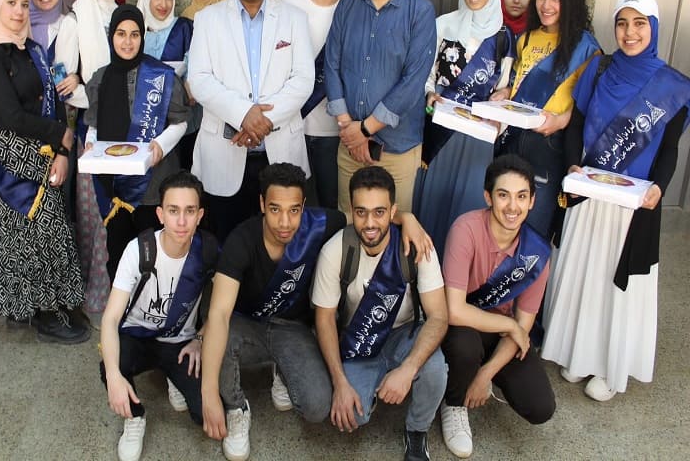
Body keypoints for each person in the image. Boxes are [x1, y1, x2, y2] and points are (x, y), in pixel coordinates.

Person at [201, 162, 432, 461]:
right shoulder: (240, 242)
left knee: (317, 406)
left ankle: (281, 369)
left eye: (294, 210)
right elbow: (219, 315)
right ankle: (236, 406)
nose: (285, 221)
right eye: (274, 209)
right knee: (218, 335)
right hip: (245, 325)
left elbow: (367, 216)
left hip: (291, 328)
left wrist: (408, 218)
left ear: (304, 207)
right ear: (261, 204)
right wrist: (210, 394)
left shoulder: (321, 223)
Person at [542, 0, 690, 402]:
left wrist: (659, 187)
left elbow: (670, 148)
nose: (629, 32)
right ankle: (577, 352)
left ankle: (609, 365)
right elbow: (578, 123)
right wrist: (574, 164)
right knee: (584, 271)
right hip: (590, 192)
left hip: (633, 204)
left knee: (615, 281)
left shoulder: (673, 87)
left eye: (640, 23)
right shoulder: (600, 69)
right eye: (623, 23)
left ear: (654, 28)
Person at [0, 0, 87, 343]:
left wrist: (63, 151)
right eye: (11, 3)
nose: (19, 11)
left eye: (23, 4)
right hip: (13, 153)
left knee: (51, 230)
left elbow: (53, 101)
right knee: (25, 233)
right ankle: (38, 309)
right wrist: (61, 138)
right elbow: (9, 114)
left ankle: (54, 302)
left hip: (46, 146)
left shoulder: (32, 48)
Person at [312, 166, 448, 461]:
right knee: (348, 417)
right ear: (351, 210)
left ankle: (416, 431)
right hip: (358, 338)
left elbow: (439, 316)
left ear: (393, 211)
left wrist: (409, 369)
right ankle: (370, 387)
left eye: (379, 212)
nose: (370, 223)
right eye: (361, 212)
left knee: (436, 371)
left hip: (403, 332)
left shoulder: (416, 246)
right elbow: (324, 319)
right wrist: (340, 384)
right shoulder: (336, 250)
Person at [187, 0, 314, 242]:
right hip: (225, 153)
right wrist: (244, 114)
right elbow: (200, 79)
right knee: (229, 244)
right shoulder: (208, 19)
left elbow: (303, 79)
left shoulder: (294, 19)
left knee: (283, 244)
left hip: (281, 151)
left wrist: (261, 121)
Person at [439, 154, 555, 459]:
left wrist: (485, 375)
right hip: (462, 324)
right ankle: (453, 404)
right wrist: (510, 325)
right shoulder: (465, 228)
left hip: (499, 334)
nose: (512, 206)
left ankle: (476, 374)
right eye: (503, 195)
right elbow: (454, 310)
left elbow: (524, 327)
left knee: (541, 406)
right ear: (488, 196)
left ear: (532, 200)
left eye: (521, 196)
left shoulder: (537, 253)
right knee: (464, 345)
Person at [99, 171, 217, 461]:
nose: (181, 221)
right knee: (111, 365)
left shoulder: (209, 250)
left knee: (207, 414)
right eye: (173, 211)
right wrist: (114, 377)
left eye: (189, 211)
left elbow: (224, 308)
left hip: (180, 341)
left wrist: (201, 339)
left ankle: (174, 376)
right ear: (160, 214)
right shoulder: (138, 249)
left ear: (200, 215)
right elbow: (111, 318)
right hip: (138, 336)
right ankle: (135, 417)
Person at [325, 0, 436, 215]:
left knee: (396, 230)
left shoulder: (420, 11)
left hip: (397, 152)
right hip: (350, 148)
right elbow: (331, 64)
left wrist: (364, 129)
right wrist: (348, 126)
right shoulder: (347, 5)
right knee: (349, 226)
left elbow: (413, 83)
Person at [495, 0, 601, 240]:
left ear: (569, 1)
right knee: (504, 225)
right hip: (512, 140)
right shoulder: (526, 38)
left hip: (549, 146)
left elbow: (588, 107)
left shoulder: (586, 48)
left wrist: (560, 121)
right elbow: (517, 80)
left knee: (534, 232)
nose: (546, 4)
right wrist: (504, 93)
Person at [417, 0, 513, 257]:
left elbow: (505, 93)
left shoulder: (503, 38)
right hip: (440, 135)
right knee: (431, 203)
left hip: (476, 142)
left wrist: (501, 110)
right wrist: (429, 95)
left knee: (466, 213)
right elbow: (424, 75)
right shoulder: (442, 25)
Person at [85, 4, 189, 280]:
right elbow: (93, 123)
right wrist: (89, 142)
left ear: (142, 37)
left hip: (154, 181)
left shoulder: (162, 76)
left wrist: (161, 145)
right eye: (121, 34)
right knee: (118, 250)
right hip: (115, 185)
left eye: (134, 34)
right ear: (112, 37)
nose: (128, 41)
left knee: (153, 251)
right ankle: (122, 312)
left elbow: (181, 122)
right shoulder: (100, 78)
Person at [54, 0, 124, 318]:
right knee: (96, 218)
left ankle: (121, 291)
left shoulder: (123, 16)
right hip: (92, 134)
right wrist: (94, 94)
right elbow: (61, 84)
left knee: (119, 214)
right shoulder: (75, 21)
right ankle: (97, 295)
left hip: (125, 134)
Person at [280, 0, 347, 210]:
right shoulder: (288, 2)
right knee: (296, 208)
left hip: (337, 133)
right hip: (293, 127)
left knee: (332, 209)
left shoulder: (354, 5)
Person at [136, 0, 197, 171]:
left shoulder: (184, 28)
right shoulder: (135, 31)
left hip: (177, 122)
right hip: (142, 120)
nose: (163, 5)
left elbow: (195, 69)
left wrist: (189, 85)